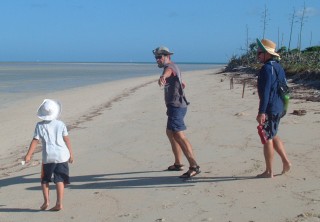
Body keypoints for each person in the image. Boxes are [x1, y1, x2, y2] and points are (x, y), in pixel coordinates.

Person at [153, 46, 200, 178]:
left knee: (179, 135)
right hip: (174, 106)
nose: (157, 59)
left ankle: (194, 166)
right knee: (170, 132)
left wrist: (163, 76)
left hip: (177, 107)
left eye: (159, 57)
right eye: (156, 57)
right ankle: (178, 163)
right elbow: (178, 80)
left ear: (167, 56)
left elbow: (168, 72)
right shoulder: (173, 67)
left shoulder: (170, 67)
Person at [24, 99, 74, 211]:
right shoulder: (60, 124)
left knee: (44, 179)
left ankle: (46, 201)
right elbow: (67, 140)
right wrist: (71, 154)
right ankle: (59, 203)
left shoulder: (39, 125)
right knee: (59, 179)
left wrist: (28, 155)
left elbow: (35, 141)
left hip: (48, 157)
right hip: (62, 155)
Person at [256, 39, 291, 178]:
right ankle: (286, 161)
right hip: (279, 106)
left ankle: (269, 171)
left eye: (259, 52)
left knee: (267, 137)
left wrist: (261, 112)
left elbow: (266, 92)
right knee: (273, 134)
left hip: (270, 108)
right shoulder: (278, 66)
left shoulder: (266, 68)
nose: (257, 55)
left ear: (266, 53)